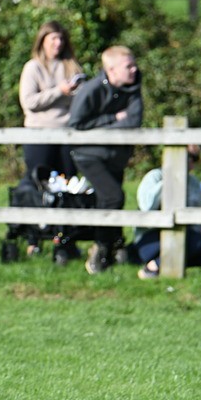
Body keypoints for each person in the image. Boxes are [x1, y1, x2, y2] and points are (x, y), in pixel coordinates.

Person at [68, 45, 143, 275]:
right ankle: (101, 249)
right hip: (89, 155)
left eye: (134, 64)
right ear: (111, 69)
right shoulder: (91, 90)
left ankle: (113, 249)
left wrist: (107, 123)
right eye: (128, 66)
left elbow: (133, 121)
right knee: (114, 196)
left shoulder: (133, 89)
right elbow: (77, 124)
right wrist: (112, 118)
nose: (134, 69)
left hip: (115, 156)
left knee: (110, 201)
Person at [19, 20, 84, 254]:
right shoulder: (33, 68)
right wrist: (60, 91)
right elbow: (29, 102)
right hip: (39, 134)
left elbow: (80, 103)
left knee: (68, 185)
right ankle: (33, 237)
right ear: (43, 41)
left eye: (61, 39)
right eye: (53, 39)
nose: (58, 43)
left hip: (67, 135)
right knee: (38, 184)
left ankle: (65, 238)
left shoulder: (71, 67)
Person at [132, 146, 201, 279]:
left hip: (187, 235)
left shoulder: (193, 182)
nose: (190, 162)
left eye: (193, 158)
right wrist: (170, 179)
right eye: (187, 157)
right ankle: (153, 266)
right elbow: (147, 206)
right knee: (195, 243)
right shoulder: (155, 176)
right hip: (151, 237)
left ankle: (160, 263)